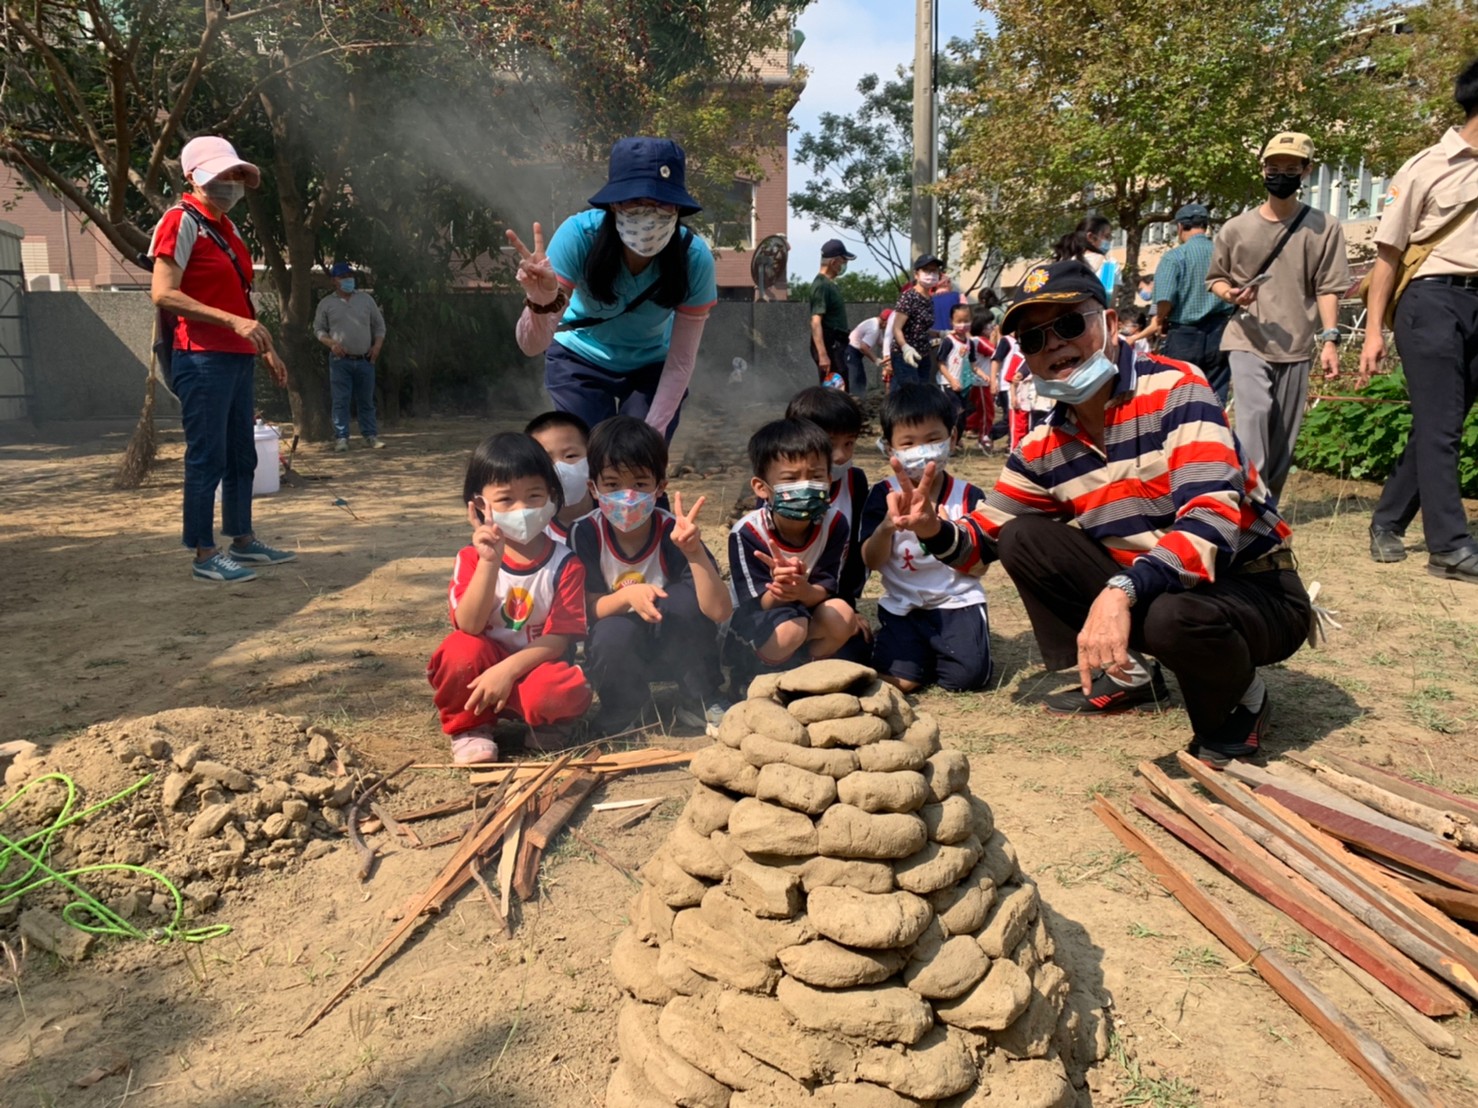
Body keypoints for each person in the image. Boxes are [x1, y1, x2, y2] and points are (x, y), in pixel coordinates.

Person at [887, 260, 1311, 769]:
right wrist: (934, 528)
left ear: (1109, 324)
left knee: (1172, 614)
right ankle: (1125, 673)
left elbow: (1211, 516)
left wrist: (1121, 590)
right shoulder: (1042, 444)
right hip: (1156, 586)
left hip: (1254, 589)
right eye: (1033, 338)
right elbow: (984, 541)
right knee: (1024, 537)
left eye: (1069, 325)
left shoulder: (1177, 388)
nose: (1054, 347)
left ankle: (1241, 701)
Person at [147, 135, 293, 584]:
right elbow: (164, 293)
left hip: (234, 356)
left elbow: (240, 300)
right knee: (207, 456)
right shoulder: (180, 220)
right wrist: (235, 324)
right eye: (220, 175)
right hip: (201, 357)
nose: (230, 183)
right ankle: (203, 552)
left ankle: (243, 540)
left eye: (235, 175)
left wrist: (264, 347)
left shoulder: (226, 228)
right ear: (193, 177)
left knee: (240, 455)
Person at [508, 137, 717, 442]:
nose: (650, 213)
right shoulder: (579, 236)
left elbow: (681, 361)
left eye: (662, 202)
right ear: (615, 203)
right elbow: (531, 345)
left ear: (677, 207)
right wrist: (540, 300)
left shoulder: (693, 258)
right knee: (588, 460)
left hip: (652, 364)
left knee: (636, 466)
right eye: (636, 201)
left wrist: (649, 440)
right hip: (578, 357)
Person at [1362, 56, 1478, 584]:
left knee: (1441, 422)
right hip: (1431, 300)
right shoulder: (1427, 166)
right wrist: (1372, 330)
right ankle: (1449, 547)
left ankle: (1387, 520)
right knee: (1442, 424)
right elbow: (1389, 254)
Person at [426, 433, 593, 765]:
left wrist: (507, 672)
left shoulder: (566, 564)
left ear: (552, 496)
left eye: (534, 495)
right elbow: (469, 625)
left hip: (537, 667)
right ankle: (470, 726)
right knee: (458, 651)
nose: (522, 510)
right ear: (477, 506)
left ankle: (549, 722)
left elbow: (559, 639)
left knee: (563, 687)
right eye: (505, 500)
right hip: (482, 671)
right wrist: (490, 562)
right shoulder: (471, 560)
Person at [1206, 132, 1350, 500]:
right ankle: (1250, 509)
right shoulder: (1236, 228)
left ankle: (1267, 507)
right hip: (1247, 337)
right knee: (1253, 420)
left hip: (1297, 343)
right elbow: (1216, 279)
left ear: (1306, 171)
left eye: (1290, 168)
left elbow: (1328, 286)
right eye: (1274, 167)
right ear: (1262, 169)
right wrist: (1232, 294)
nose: (1281, 174)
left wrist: (1330, 338)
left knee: (1284, 440)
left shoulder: (1325, 227)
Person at [570, 417, 732, 735]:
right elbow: (580, 610)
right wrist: (627, 597)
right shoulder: (584, 534)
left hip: (672, 643)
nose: (627, 496)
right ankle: (623, 707)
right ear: (593, 487)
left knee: (686, 601)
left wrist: (695, 552)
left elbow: (720, 611)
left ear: (660, 487)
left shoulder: (673, 531)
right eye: (613, 484)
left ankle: (700, 698)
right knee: (611, 630)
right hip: (619, 648)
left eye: (640, 484)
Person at [860, 384, 991, 693]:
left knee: (966, 681)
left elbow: (979, 567)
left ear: (953, 438)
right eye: (908, 443)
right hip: (904, 606)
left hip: (957, 603)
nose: (922, 451)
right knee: (902, 682)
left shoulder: (970, 496)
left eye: (933, 440)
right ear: (890, 450)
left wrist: (945, 535)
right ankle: (908, 650)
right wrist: (887, 527)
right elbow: (871, 561)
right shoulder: (883, 495)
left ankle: (945, 649)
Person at [728, 419, 861, 679]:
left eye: (816, 476)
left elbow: (825, 589)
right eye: (790, 478)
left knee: (843, 615)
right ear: (761, 487)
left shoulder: (834, 523)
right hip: (758, 621)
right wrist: (781, 588)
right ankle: (749, 676)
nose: (806, 486)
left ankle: (805, 675)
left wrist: (803, 590)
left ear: (829, 479)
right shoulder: (747, 533)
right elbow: (757, 604)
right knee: (792, 627)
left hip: (807, 607)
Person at [1130, 203, 1234, 403]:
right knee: (1215, 396)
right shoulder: (1224, 254)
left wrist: (1159, 320)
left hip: (1184, 335)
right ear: (1205, 225)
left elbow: (1165, 300)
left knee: (1180, 396)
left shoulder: (1174, 257)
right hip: (1220, 332)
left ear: (1180, 227)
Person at [785, 387, 870, 609]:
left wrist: (847, 600)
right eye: (830, 444)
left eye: (849, 443)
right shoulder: (781, 485)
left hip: (832, 597)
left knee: (855, 641)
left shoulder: (855, 482)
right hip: (782, 594)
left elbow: (855, 551)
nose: (840, 456)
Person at [314, 261, 387, 452]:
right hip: (340, 361)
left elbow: (379, 326)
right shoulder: (326, 304)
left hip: (365, 359)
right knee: (340, 400)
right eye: (343, 277)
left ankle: (370, 436)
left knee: (366, 400)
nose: (348, 280)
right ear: (334, 281)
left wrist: (377, 346)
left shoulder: (366, 300)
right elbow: (319, 330)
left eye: (350, 276)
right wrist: (331, 344)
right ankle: (341, 438)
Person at [525, 410, 596, 544]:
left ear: (592, 458)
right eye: (546, 460)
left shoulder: (615, 518)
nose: (559, 469)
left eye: (570, 456)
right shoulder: (533, 534)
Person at [889, 255, 946, 388]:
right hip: (905, 355)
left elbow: (921, 328)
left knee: (922, 393)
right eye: (926, 270)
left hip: (923, 354)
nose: (931, 274)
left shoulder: (929, 299)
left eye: (934, 271)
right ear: (916, 274)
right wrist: (905, 348)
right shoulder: (909, 296)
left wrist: (940, 334)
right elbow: (897, 328)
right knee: (909, 394)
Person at [809, 239, 857, 391]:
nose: (845, 265)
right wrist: (823, 354)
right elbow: (816, 321)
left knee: (842, 384)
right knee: (835, 389)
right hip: (830, 343)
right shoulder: (821, 285)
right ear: (834, 261)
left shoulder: (830, 284)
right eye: (843, 261)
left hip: (838, 343)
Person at [935, 302, 978, 442]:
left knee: (963, 415)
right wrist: (952, 380)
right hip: (948, 384)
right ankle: (946, 440)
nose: (963, 324)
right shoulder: (948, 341)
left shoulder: (970, 343)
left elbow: (972, 363)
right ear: (951, 322)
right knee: (955, 412)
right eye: (959, 321)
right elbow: (940, 363)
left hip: (964, 385)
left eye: (966, 321)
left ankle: (956, 441)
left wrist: (982, 375)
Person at [1053, 216, 1118, 298]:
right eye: (1107, 236)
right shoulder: (1110, 265)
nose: (1109, 241)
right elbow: (1109, 301)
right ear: (1090, 237)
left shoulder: (1065, 262)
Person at [962, 310, 998, 451]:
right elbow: (996, 351)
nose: (992, 328)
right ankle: (984, 437)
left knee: (983, 411)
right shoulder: (978, 341)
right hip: (980, 382)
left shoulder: (979, 341)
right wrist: (996, 338)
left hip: (983, 382)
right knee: (986, 412)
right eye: (989, 326)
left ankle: (965, 426)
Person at [847, 309, 891, 396]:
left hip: (854, 352)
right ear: (885, 322)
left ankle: (859, 399)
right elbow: (863, 347)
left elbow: (881, 342)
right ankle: (855, 400)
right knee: (856, 380)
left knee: (861, 379)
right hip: (851, 352)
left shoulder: (876, 324)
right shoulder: (874, 328)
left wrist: (891, 352)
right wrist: (876, 360)